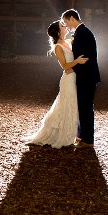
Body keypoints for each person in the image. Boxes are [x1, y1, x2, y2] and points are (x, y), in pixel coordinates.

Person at [24, 20, 88, 148]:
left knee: (73, 106)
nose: (65, 27)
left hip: (75, 77)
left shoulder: (68, 42)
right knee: (68, 105)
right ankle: (64, 136)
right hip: (68, 79)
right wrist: (77, 61)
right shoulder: (58, 47)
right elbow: (65, 66)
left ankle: (74, 134)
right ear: (58, 32)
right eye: (62, 26)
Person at [62, 8, 101, 148]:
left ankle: (88, 140)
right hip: (86, 75)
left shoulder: (83, 33)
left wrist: (72, 67)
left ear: (72, 18)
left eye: (66, 22)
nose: (65, 25)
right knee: (83, 106)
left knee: (86, 107)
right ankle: (82, 135)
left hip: (87, 76)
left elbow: (84, 58)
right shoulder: (82, 32)